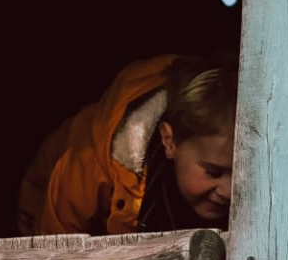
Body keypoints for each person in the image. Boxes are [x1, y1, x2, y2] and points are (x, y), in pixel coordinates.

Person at [16, 53, 236, 236]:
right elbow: (51, 253)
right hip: (44, 212)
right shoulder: (89, 167)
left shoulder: (205, 155)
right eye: (213, 172)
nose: (228, 192)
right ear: (170, 141)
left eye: (238, 174)